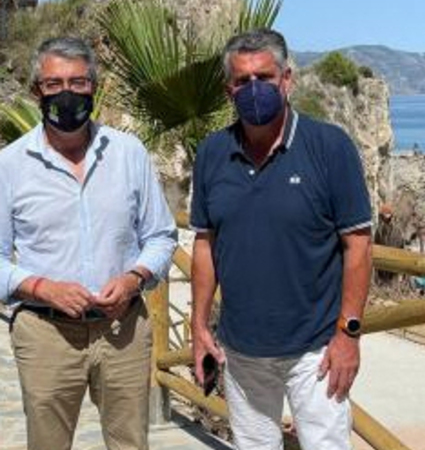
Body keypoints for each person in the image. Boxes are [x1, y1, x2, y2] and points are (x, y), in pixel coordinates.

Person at [190, 29, 372, 450]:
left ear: (286, 80)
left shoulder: (330, 147)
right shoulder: (212, 153)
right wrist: (199, 326)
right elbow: (204, 244)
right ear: (228, 90)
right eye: (242, 81)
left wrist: (348, 335)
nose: (254, 88)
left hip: (317, 351)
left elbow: (359, 245)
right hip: (241, 350)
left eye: (265, 78)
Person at [0, 37, 177, 450]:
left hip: (123, 329)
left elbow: (161, 236)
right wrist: (42, 287)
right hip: (45, 333)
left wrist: (134, 278)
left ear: (93, 87)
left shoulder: (129, 153)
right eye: (54, 84)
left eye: (78, 83)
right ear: (36, 92)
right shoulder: (9, 165)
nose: (66, 94)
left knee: (130, 444)